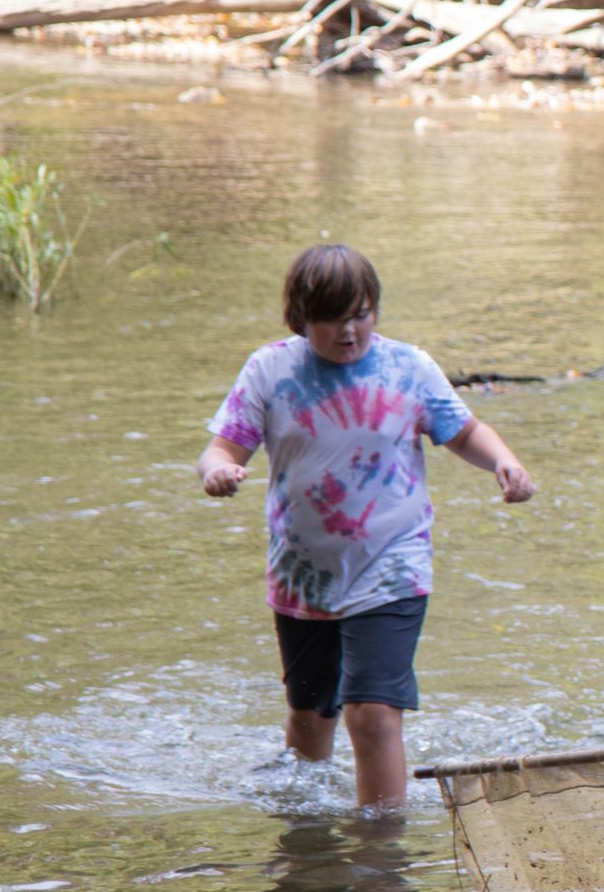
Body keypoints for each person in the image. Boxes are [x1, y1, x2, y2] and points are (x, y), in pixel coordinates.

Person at [197, 244, 534, 812]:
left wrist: (503, 461)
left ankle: (380, 855)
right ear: (300, 318)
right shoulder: (271, 370)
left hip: (392, 565)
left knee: (371, 713)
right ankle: (309, 851)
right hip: (302, 573)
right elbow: (221, 447)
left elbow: (463, 431)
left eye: (362, 313)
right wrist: (219, 472)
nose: (350, 331)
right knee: (310, 717)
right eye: (333, 318)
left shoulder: (408, 368)